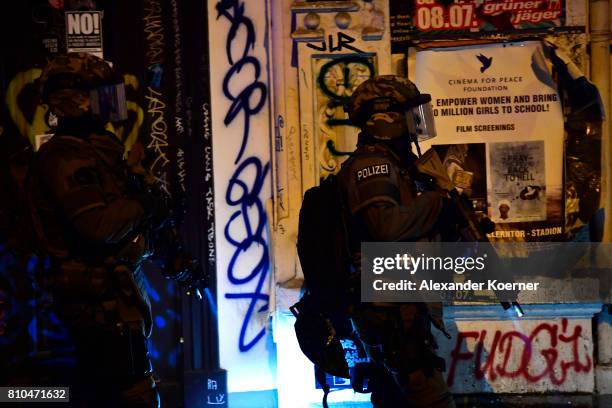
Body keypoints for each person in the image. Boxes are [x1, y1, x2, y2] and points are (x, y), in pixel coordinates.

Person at [28, 52, 191, 407]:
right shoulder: (63, 157)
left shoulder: (102, 150)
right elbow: (98, 226)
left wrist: (174, 258)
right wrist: (146, 206)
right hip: (89, 307)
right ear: (76, 99)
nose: (111, 105)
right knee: (128, 395)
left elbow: (136, 214)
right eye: (102, 94)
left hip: (116, 300)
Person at [337, 75, 456, 407]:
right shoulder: (373, 164)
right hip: (389, 310)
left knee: (394, 400)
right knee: (431, 398)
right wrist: (436, 203)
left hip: (399, 305)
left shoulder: (398, 166)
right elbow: (386, 227)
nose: (419, 122)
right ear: (387, 118)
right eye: (412, 114)